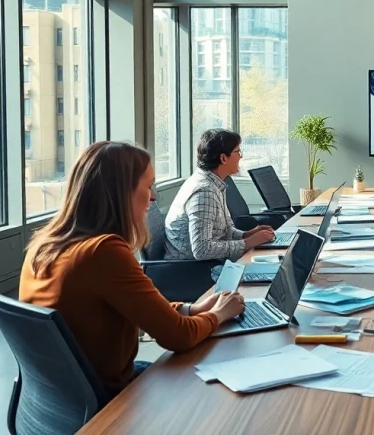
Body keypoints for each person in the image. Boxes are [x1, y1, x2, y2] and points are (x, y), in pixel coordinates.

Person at [19, 141, 246, 396]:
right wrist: (219, 315)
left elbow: (133, 308)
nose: (153, 196)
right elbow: (178, 337)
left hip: (61, 397)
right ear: (120, 192)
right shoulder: (103, 251)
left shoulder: (43, 244)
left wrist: (191, 309)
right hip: (107, 399)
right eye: (148, 186)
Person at [164, 129, 275, 260]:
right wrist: (248, 243)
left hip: (207, 264)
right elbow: (202, 250)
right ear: (223, 158)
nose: (240, 156)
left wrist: (246, 235)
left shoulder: (213, 183)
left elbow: (221, 232)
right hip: (194, 270)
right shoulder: (204, 192)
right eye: (237, 151)